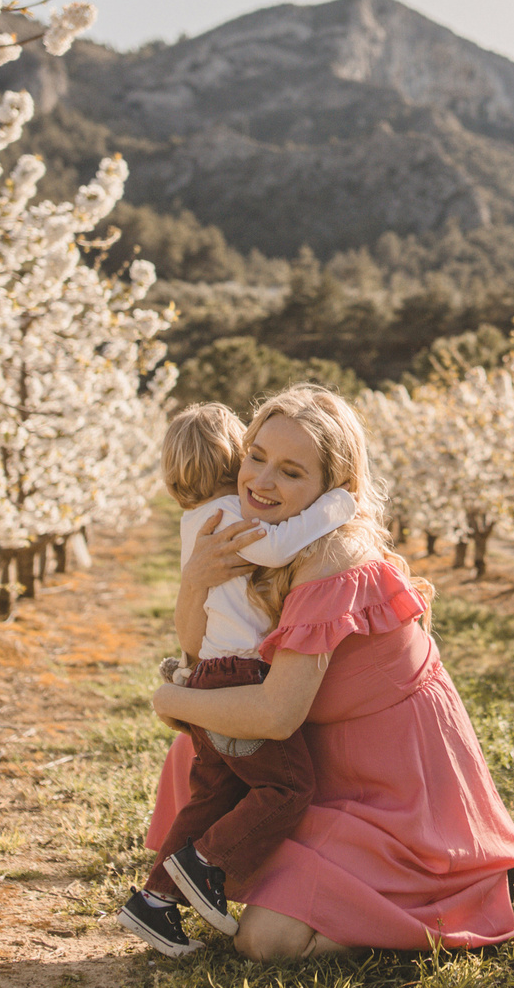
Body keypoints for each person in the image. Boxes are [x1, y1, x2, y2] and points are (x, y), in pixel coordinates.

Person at [144, 385, 514, 960]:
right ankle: (228, 875)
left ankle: (430, 895)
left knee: (267, 941)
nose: (261, 482)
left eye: (291, 471)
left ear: (332, 488)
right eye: (256, 456)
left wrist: (168, 700)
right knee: (205, 753)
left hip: (394, 790)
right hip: (324, 757)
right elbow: (202, 652)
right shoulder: (263, 539)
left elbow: (275, 714)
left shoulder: (331, 557)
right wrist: (196, 580)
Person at [117, 403, 356, 956]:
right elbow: (275, 547)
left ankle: (153, 904)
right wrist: (335, 507)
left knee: (210, 797)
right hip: (238, 675)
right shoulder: (230, 512)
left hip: (207, 675)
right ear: (234, 458)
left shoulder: (191, 519)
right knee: (285, 787)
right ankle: (206, 865)